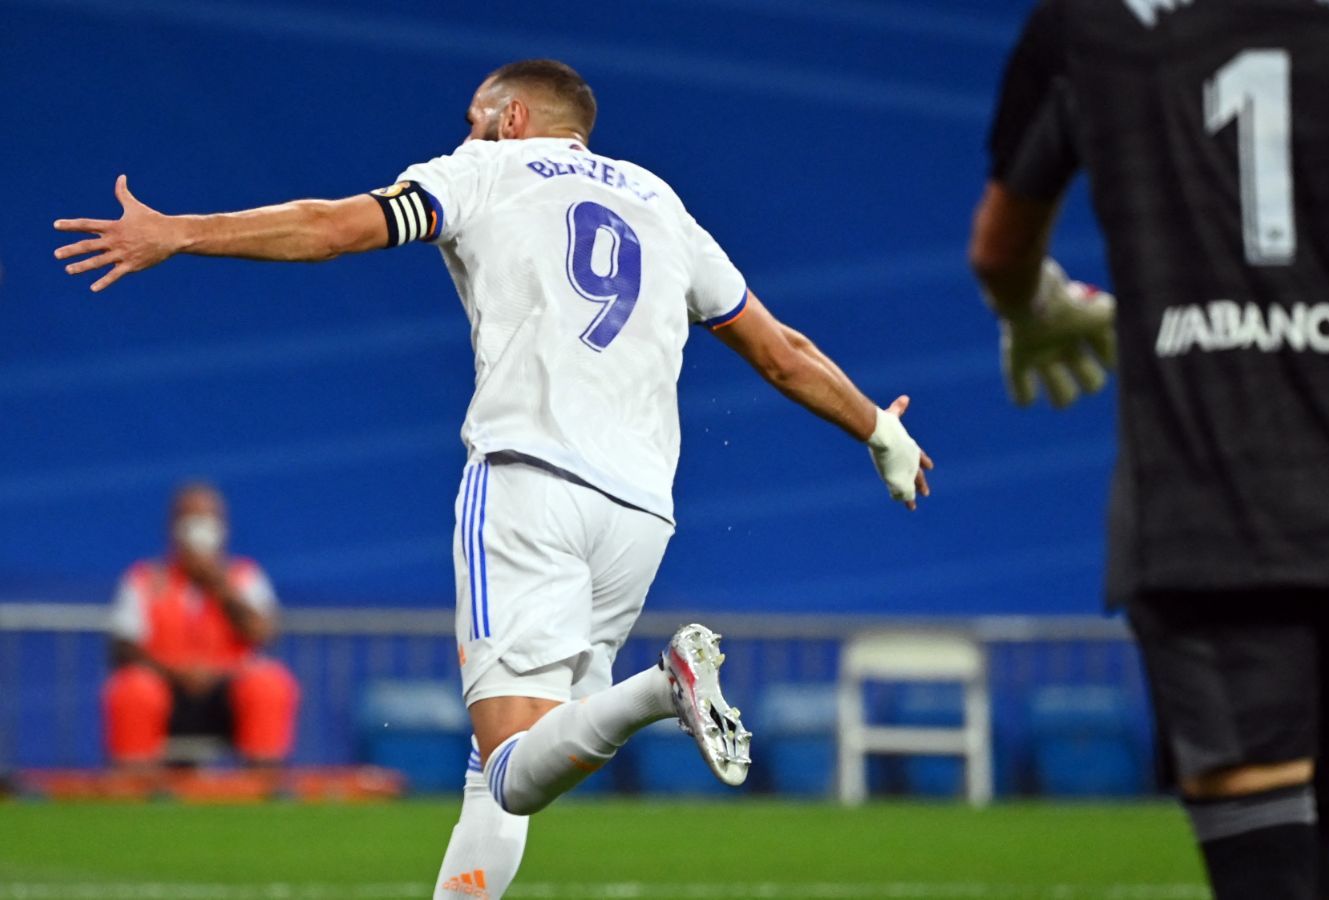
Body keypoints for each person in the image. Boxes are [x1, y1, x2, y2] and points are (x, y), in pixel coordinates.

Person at [57, 58, 933, 899]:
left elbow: (329, 227)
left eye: (476, 115)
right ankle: (635, 710)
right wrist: (879, 430)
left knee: (512, 767)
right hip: (641, 514)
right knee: (513, 765)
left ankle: (663, 688)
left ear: (511, 118)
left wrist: (180, 233)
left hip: (529, 481)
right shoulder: (662, 203)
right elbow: (781, 355)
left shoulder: (482, 170)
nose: (464, 129)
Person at [968, 2, 1329, 898]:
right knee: (1313, 841)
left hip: (1205, 515)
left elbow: (999, 249)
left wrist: (1036, 307)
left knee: (1268, 864)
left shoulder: (1090, 23)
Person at [103, 482, 299, 769]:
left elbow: (262, 632)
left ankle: (264, 784)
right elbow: (122, 646)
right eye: (191, 520)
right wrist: (175, 673)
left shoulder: (245, 576)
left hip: (225, 695)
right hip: (167, 690)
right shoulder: (144, 579)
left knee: (269, 682)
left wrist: (219, 585)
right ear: (173, 527)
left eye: (208, 520)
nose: (200, 529)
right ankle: (132, 788)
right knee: (133, 688)